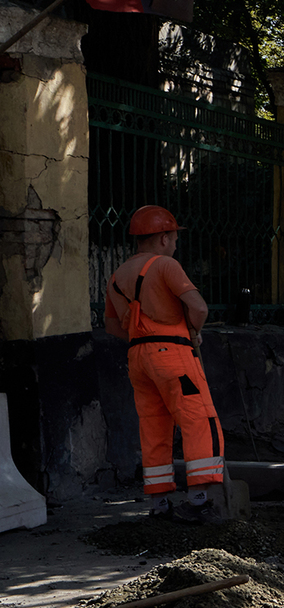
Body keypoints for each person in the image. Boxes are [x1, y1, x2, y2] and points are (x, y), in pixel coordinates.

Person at [103, 206, 228, 522]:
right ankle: (198, 501)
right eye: (172, 238)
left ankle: (159, 505)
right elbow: (197, 307)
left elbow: (112, 326)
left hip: (138, 359)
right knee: (198, 418)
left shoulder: (117, 276)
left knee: (153, 425)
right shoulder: (165, 265)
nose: (174, 244)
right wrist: (192, 331)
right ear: (161, 238)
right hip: (173, 356)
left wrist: (142, 336)